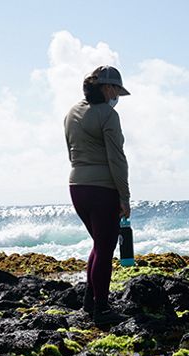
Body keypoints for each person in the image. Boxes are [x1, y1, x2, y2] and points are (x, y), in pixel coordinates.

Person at [64, 65, 131, 326]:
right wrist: (124, 196)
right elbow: (117, 159)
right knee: (105, 248)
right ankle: (101, 310)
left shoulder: (71, 113)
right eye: (115, 89)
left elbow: (70, 153)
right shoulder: (108, 115)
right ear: (106, 87)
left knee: (99, 244)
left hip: (76, 186)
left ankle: (89, 301)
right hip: (102, 188)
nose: (117, 96)